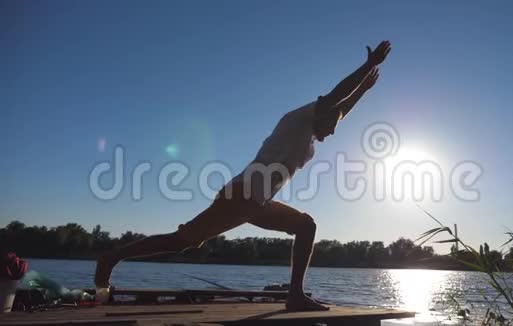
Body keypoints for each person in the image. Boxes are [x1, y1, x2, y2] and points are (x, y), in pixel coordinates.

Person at [95, 40, 392, 311]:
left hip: (254, 200)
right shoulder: (299, 119)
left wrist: (364, 90)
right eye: (332, 125)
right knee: (183, 240)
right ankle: (111, 258)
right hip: (243, 195)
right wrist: (367, 67)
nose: (332, 133)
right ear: (322, 114)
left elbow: (340, 109)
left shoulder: (309, 134)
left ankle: (294, 294)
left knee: (303, 226)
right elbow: (336, 97)